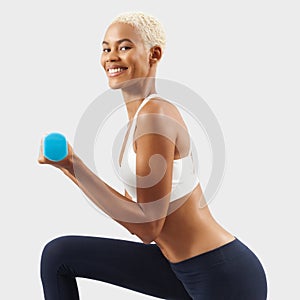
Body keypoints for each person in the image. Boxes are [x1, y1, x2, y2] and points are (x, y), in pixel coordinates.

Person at [38, 11, 268, 300]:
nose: (111, 57)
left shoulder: (155, 116)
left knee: (59, 254)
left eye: (124, 47)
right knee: (59, 255)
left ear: (154, 54)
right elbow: (137, 213)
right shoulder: (137, 123)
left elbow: (148, 226)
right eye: (106, 48)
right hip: (177, 269)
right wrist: (70, 168)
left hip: (220, 275)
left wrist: (72, 166)